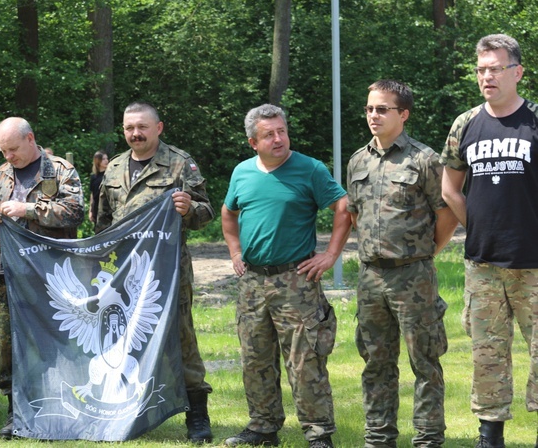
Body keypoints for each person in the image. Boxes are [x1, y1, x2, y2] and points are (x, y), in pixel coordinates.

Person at [221, 103, 351, 448]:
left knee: (305, 359)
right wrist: (235, 252)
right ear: (253, 142)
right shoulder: (242, 172)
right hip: (253, 282)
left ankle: (318, 434)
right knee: (255, 357)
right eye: (269, 134)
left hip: (296, 280)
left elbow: (343, 207)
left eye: (282, 131)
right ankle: (263, 428)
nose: (278, 139)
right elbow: (228, 214)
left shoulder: (310, 169)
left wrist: (331, 255)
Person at [95, 102, 215, 443]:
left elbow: (205, 210)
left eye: (142, 127)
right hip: (123, 275)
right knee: (119, 340)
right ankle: (122, 411)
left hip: (167, 272)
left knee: (181, 339)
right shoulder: (115, 167)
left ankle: (197, 414)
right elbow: (103, 221)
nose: (136, 133)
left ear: (158, 128)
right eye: (129, 128)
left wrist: (189, 208)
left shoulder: (178, 163)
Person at [348, 80, 459, 447]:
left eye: (382, 109)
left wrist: (427, 253)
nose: (373, 116)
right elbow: (354, 213)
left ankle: (428, 439)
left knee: (425, 362)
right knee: (376, 362)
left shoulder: (424, 159)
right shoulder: (358, 161)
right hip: (370, 278)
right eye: (369, 109)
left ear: (403, 114)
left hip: (413, 277)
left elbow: (446, 214)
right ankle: (379, 437)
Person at [441, 34, 538, 448]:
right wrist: (480, 224)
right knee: (487, 355)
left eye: (495, 68)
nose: (487, 77)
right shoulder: (465, 124)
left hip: (534, 262)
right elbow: (450, 189)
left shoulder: (535, 121)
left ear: (517, 72)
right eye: (481, 70)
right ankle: (490, 436)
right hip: (483, 264)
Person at [0, 117, 84, 438]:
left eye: (12, 149)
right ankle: (16, 410)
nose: (8, 156)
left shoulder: (60, 170)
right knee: (6, 341)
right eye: (3, 151)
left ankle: (58, 406)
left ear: (30, 139)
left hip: (48, 272)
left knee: (52, 342)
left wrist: (29, 209)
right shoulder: (0, 175)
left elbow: (75, 210)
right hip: (6, 272)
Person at [88, 150, 108, 223]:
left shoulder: (109, 174)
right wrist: (90, 210)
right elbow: (92, 195)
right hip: (96, 208)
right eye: (103, 159)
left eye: (107, 158)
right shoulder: (94, 177)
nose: (106, 161)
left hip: (107, 208)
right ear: (98, 161)